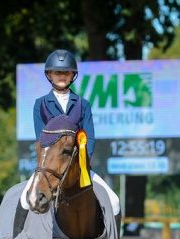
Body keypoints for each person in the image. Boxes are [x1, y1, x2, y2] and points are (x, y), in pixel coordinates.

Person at [20, 49, 120, 216]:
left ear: (73, 75)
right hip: (49, 167)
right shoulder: (41, 104)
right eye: (57, 72)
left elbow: (90, 138)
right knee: (25, 201)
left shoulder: (83, 104)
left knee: (115, 203)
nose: (62, 76)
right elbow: (41, 139)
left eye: (66, 72)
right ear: (49, 75)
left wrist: (80, 165)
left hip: (78, 166)